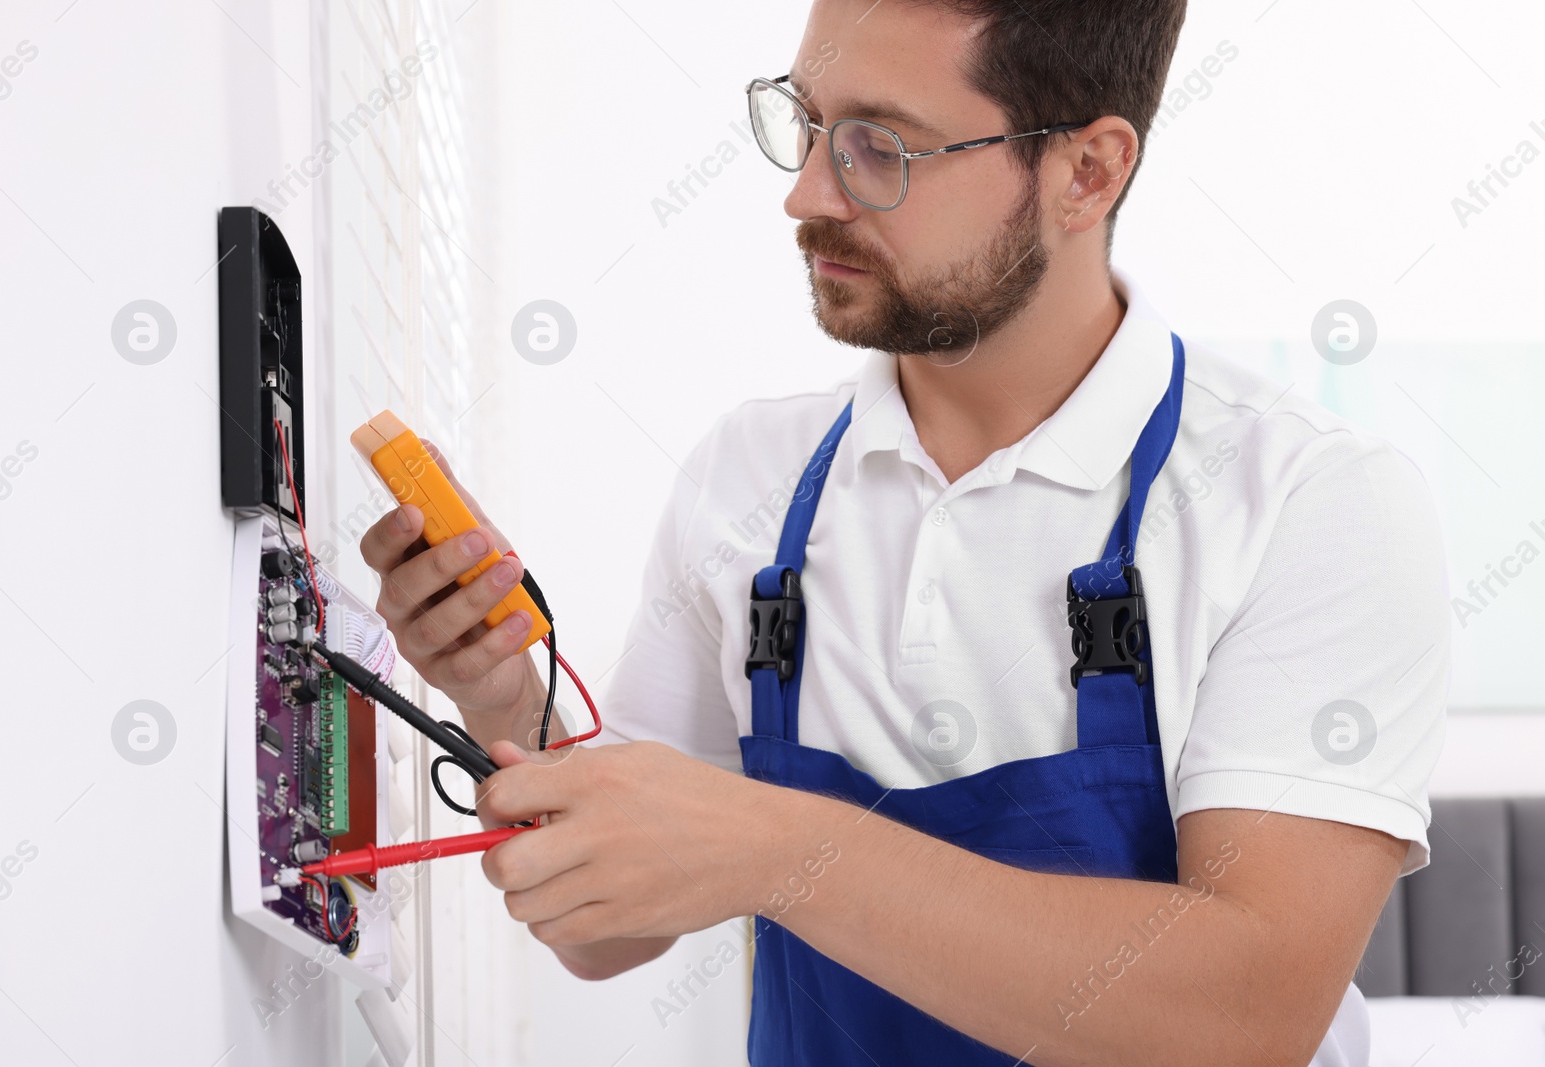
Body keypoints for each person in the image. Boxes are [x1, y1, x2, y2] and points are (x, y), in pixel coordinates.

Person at [357, 1, 1449, 1063]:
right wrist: (501, 693)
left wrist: (777, 848)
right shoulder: (748, 479)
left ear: (1086, 172)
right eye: (807, 122)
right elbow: (608, 929)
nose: (804, 194)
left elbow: (1243, 1019)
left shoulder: (1310, 502)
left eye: (881, 146)